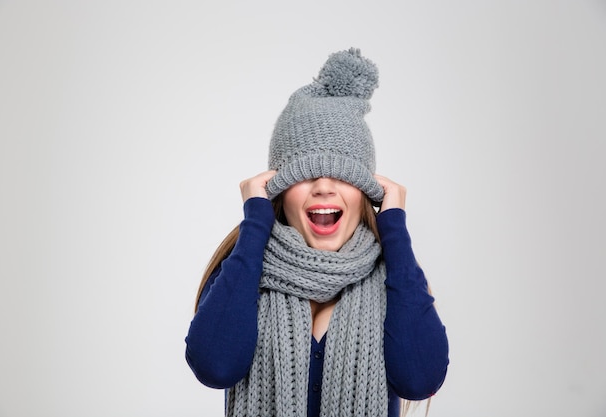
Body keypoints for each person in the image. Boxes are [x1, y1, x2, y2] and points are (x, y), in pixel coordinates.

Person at [185, 48, 449, 417]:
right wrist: (255, 221)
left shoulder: (396, 280)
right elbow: (215, 366)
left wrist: (396, 233)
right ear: (279, 188)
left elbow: (420, 379)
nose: (324, 186)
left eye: (343, 173)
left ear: (366, 189)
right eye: (305, 173)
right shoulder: (242, 273)